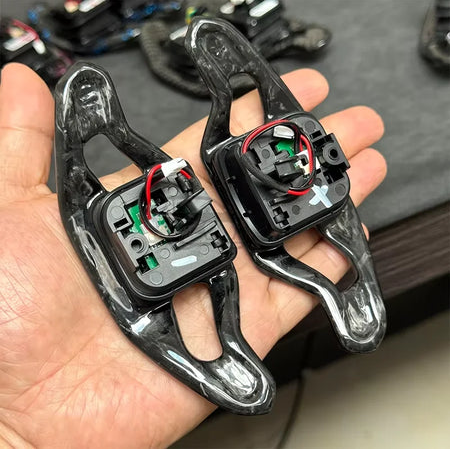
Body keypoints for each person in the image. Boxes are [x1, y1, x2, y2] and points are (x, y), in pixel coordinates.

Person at [0, 63, 386, 448]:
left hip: (215, 241)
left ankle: (236, 343)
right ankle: (232, 348)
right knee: (178, 201)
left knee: (188, 207)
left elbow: (160, 169)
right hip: (162, 265)